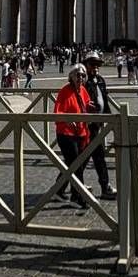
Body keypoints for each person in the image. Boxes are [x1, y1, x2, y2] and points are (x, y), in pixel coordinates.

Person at [53, 64, 92, 208]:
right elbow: (57, 112)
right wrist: (69, 119)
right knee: (76, 166)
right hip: (66, 134)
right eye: (77, 74)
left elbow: (86, 104)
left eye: (83, 75)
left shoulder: (82, 90)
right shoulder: (65, 90)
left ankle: (58, 189)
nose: (80, 77)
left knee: (73, 164)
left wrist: (90, 107)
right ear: (71, 76)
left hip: (81, 133)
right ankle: (78, 197)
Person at [82, 53, 117, 200]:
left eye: (98, 65)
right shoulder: (82, 81)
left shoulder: (101, 80)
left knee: (90, 157)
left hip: (97, 125)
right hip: (85, 125)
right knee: (84, 158)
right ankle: (65, 184)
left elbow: (105, 101)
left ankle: (68, 184)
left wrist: (110, 120)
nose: (95, 67)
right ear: (86, 65)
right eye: (92, 64)